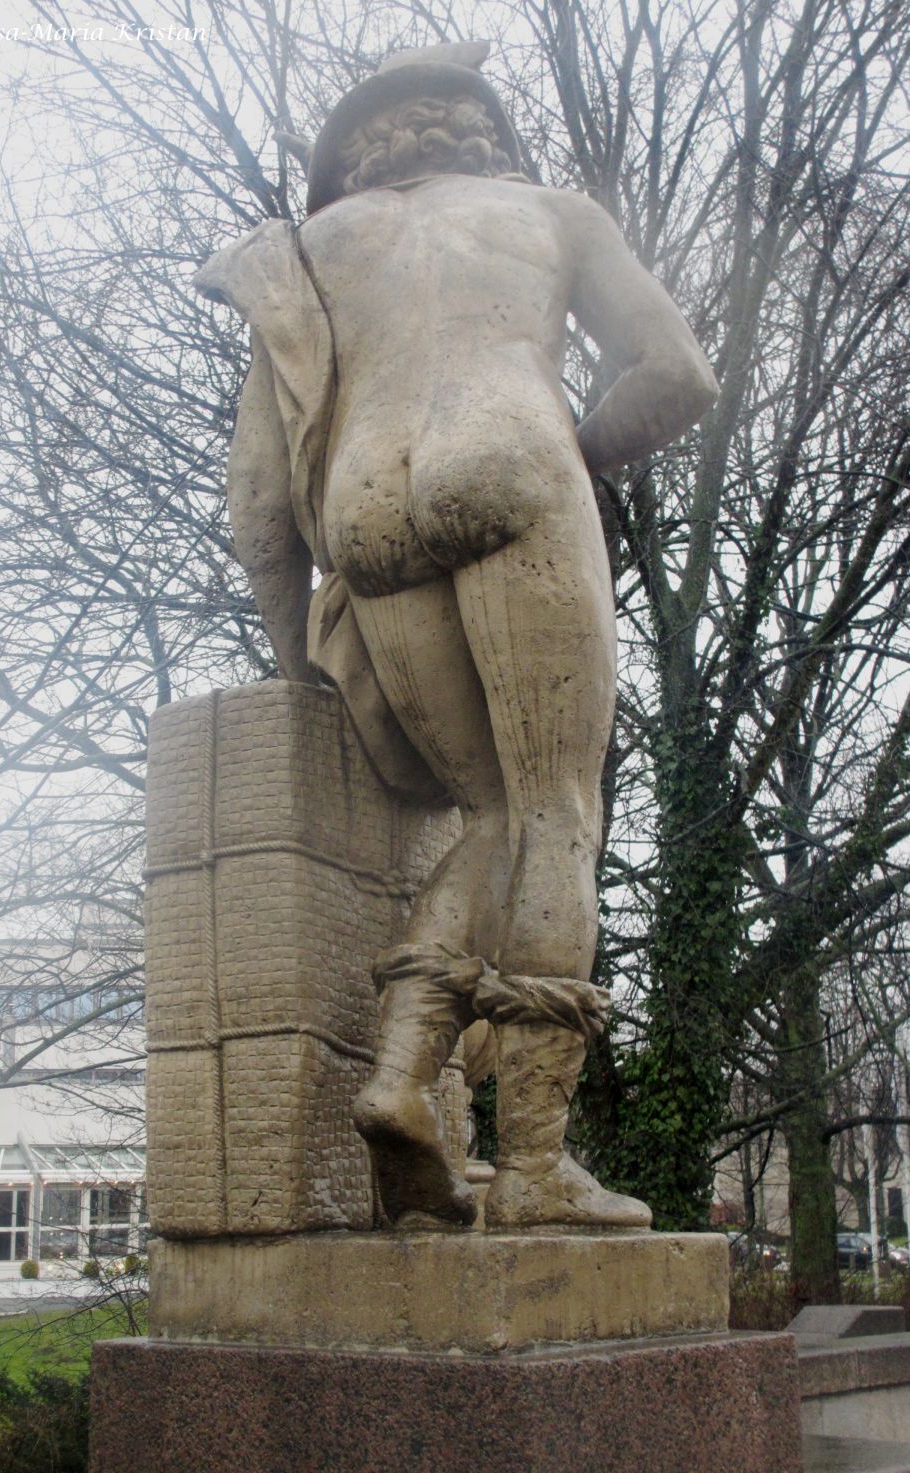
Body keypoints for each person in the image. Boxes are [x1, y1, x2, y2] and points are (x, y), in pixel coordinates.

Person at [196, 40, 717, 1232]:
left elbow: (262, 507)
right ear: (475, 130)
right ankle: (534, 1165)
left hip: (366, 507)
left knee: (486, 816)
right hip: (513, 459)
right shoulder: (551, 211)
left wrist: (295, 663)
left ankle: (400, 1079)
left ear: (352, 161)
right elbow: (677, 372)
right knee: (552, 814)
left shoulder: (302, 260)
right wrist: (555, 466)